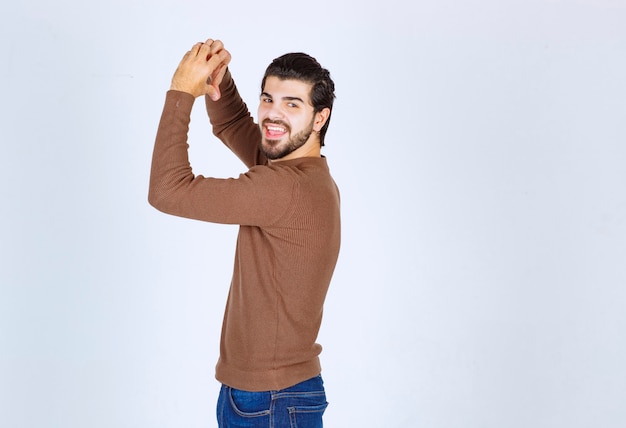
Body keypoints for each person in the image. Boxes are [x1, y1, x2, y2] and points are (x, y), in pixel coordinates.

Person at [148, 39, 340, 428]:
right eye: (268, 99)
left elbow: (167, 190)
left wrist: (182, 92)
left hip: (271, 401)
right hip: (274, 394)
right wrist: (220, 80)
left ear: (320, 118)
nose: (273, 114)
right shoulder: (300, 172)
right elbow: (234, 123)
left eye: (292, 104)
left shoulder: (282, 189)